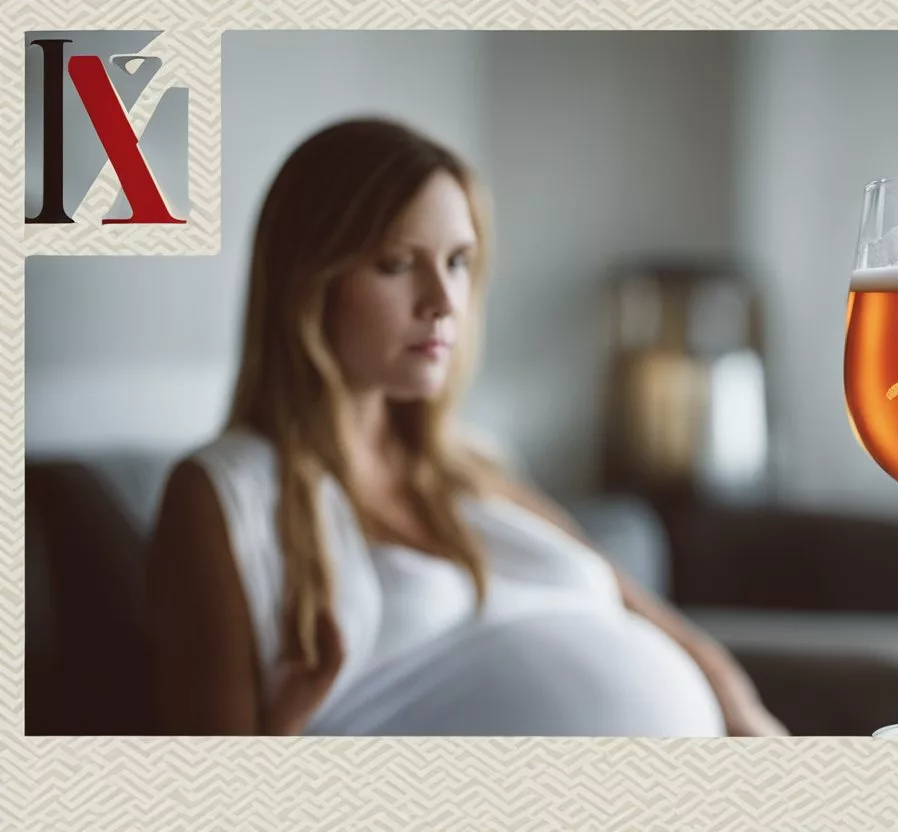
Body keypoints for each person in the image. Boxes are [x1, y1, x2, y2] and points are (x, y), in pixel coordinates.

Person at [146, 117, 787, 737]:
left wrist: (750, 720)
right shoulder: (222, 496)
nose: (443, 302)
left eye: (457, 262)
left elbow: (660, 624)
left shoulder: (472, 464)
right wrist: (290, 713)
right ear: (309, 283)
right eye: (398, 264)